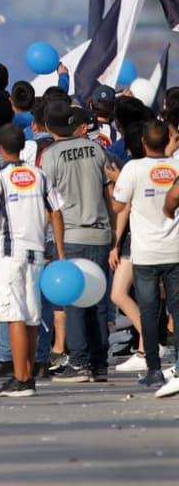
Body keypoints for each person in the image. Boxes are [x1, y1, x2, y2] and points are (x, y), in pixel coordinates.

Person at [0, 124, 65, 397]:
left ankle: (21, 378)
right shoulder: (41, 176)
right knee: (30, 317)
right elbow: (57, 213)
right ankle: (26, 375)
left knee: (14, 316)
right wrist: (60, 252)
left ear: (1, 148)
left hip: (9, 254)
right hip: (37, 254)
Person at [41, 100, 112, 383]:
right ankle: (99, 362)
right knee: (99, 299)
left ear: (49, 127)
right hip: (101, 231)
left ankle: (80, 363)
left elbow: (49, 203)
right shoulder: (95, 148)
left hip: (70, 234)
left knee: (73, 300)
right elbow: (109, 193)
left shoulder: (50, 156)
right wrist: (115, 231)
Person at [108, 120, 179, 389]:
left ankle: (153, 369)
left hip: (145, 252)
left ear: (143, 143)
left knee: (148, 312)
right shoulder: (176, 166)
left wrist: (117, 184)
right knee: (177, 308)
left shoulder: (133, 169)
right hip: (175, 248)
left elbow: (118, 206)